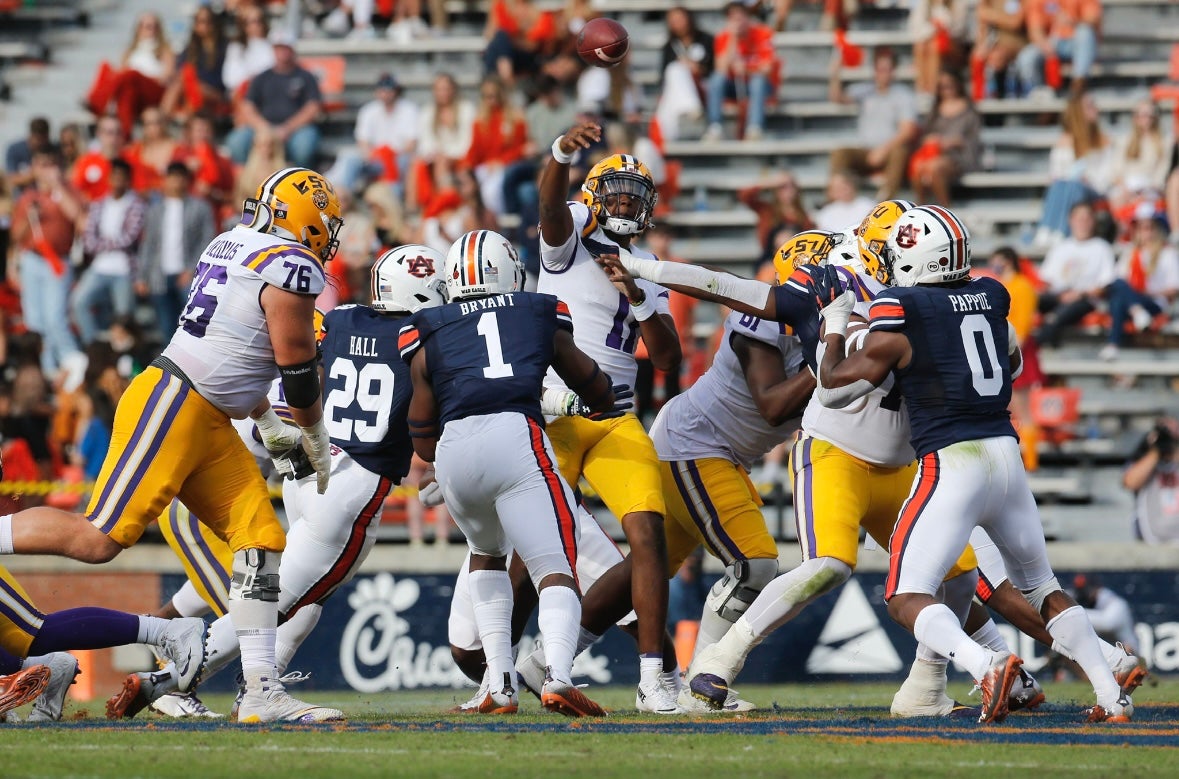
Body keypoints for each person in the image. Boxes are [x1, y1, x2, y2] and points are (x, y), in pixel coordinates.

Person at [0, 166, 344, 724]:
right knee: (99, 539)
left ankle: (261, 690)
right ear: (302, 217)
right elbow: (297, 368)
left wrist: (266, 418)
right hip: (176, 401)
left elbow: (235, 346)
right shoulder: (292, 265)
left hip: (204, 409)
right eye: (324, 220)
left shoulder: (232, 242)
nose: (328, 232)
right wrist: (311, 431)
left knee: (258, 536)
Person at [811, 204, 1133, 724]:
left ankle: (985, 665)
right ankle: (1111, 695)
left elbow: (830, 388)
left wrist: (832, 326)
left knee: (904, 595)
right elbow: (1013, 361)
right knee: (1044, 587)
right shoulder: (991, 296)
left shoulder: (900, 311)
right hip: (1007, 455)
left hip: (953, 463)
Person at [110, 245, 449, 719]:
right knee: (275, 602)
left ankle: (234, 683)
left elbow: (292, 370)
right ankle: (173, 682)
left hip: (308, 472)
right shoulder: (428, 337)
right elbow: (436, 412)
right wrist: (448, 467)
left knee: (291, 594)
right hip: (352, 486)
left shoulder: (344, 318)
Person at [400, 228, 610, 717]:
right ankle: (557, 674)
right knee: (553, 565)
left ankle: (500, 684)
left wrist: (442, 463)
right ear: (511, 273)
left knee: (485, 555)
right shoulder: (538, 310)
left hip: (453, 451)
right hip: (516, 436)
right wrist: (602, 400)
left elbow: (421, 434)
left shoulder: (428, 328)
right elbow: (586, 377)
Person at [539, 120, 683, 713]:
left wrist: (639, 292)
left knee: (649, 534)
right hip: (556, 413)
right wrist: (559, 154)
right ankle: (505, 669)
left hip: (617, 419)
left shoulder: (648, 261)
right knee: (537, 554)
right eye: (615, 193)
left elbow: (669, 356)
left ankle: (654, 678)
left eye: (634, 196)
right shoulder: (573, 228)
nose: (624, 204)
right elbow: (549, 203)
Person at [9, 147, 83, 376]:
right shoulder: (28, 197)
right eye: (42, 164)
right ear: (34, 168)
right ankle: (47, 370)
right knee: (34, 320)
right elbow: (17, 236)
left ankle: (73, 365)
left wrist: (58, 186)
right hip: (33, 260)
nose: (47, 169)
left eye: (51, 163)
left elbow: (78, 218)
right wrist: (31, 216)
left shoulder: (68, 191)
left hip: (57, 262)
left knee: (55, 318)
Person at [137, 162, 217, 342]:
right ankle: (167, 369)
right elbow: (148, 244)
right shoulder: (155, 210)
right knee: (166, 327)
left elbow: (207, 240)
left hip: (187, 276)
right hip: (159, 275)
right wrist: (142, 276)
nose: (176, 182)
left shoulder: (200, 207)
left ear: (187, 181)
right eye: (172, 177)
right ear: (165, 181)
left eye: (180, 177)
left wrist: (191, 269)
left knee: (193, 325)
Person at [72, 158, 147, 345]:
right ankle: (94, 346)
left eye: (122, 177)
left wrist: (102, 242)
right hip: (99, 267)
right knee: (78, 303)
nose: (118, 181)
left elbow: (129, 238)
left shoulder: (136, 204)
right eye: (115, 176)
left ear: (128, 180)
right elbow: (88, 239)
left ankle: (125, 354)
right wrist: (109, 242)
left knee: (124, 317)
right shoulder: (98, 205)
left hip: (124, 269)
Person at [829, 47, 918, 201]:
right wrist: (835, 74)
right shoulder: (865, 90)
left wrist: (883, 150)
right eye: (880, 69)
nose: (883, 73)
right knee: (841, 154)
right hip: (865, 151)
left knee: (899, 152)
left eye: (887, 69)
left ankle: (885, 201)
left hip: (888, 151)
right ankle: (834, 199)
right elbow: (838, 98)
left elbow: (908, 130)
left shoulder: (903, 95)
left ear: (893, 71)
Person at [225, 32, 321, 170]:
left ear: (292, 49)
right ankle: (246, 181)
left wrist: (288, 128)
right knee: (237, 141)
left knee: (304, 145)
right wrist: (263, 128)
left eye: (285, 47)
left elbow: (313, 107)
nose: (281, 52)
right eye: (278, 48)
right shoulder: (261, 77)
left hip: (295, 130)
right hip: (262, 128)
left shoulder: (306, 77)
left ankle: (301, 182)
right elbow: (248, 106)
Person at [1100, 203, 1179, 361]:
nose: (1147, 233)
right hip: (1133, 301)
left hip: (1155, 302)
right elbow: (1118, 281)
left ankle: (1113, 344)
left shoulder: (1168, 253)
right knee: (1118, 290)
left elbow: (1175, 288)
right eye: (1142, 228)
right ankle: (1137, 311)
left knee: (1119, 298)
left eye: (1150, 227)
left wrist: (1147, 293)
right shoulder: (1131, 253)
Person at [1034, 86, 1112, 247]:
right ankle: (1047, 230)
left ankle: (1062, 231)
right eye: (1090, 106)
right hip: (1069, 186)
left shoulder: (1103, 141)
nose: (1095, 110)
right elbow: (1056, 171)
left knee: (1075, 185)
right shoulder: (1065, 141)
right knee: (1061, 184)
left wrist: (1087, 179)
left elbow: (1107, 176)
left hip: (1095, 189)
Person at [1033, 201, 1115, 348]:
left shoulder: (1101, 247)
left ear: (1093, 221)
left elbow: (1105, 285)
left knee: (1055, 318)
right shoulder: (1060, 247)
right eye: (1079, 218)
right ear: (1070, 220)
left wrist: (1079, 294)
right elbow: (1046, 280)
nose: (1082, 223)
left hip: (1085, 299)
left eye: (1086, 218)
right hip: (1058, 296)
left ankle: (1040, 351)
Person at [84, 12, 176, 137]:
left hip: (153, 89)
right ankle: (126, 134)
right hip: (134, 90)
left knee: (131, 74)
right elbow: (122, 75)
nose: (150, 30)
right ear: (138, 29)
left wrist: (141, 77)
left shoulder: (165, 50)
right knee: (126, 90)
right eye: (146, 26)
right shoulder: (129, 52)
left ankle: (98, 102)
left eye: (153, 26)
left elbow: (166, 77)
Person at [333, 73, 420, 196]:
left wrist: (388, 156)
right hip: (375, 158)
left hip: (398, 157)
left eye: (389, 90)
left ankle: (394, 198)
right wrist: (375, 155)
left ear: (396, 91)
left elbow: (411, 144)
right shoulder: (368, 110)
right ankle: (344, 198)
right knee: (351, 159)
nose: (386, 93)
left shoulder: (409, 109)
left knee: (403, 162)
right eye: (382, 89)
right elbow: (363, 142)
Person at [703, 2, 778, 142]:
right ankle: (715, 127)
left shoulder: (763, 33)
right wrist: (733, 40)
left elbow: (767, 68)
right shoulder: (723, 37)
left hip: (760, 86)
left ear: (748, 17)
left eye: (740, 16)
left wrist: (747, 69)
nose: (738, 21)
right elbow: (721, 69)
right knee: (715, 80)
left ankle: (755, 128)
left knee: (758, 81)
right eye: (733, 17)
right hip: (733, 86)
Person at [909, 69, 981, 206]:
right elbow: (924, 135)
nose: (946, 90)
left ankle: (945, 209)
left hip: (959, 157)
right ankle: (921, 207)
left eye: (949, 86)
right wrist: (931, 140)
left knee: (934, 167)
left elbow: (973, 140)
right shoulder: (936, 110)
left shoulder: (969, 111)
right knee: (918, 167)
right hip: (933, 154)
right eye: (942, 87)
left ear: (958, 85)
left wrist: (952, 142)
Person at [655, 6, 714, 143]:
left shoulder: (706, 40)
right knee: (675, 70)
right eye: (673, 20)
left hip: (703, 86)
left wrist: (697, 68)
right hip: (677, 93)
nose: (678, 23)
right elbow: (663, 76)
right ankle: (690, 109)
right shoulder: (669, 46)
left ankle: (690, 109)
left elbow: (714, 68)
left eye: (680, 19)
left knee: (675, 70)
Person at [1017, 0, 1100, 96]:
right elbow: (1035, 29)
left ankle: (1078, 84)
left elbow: (1093, 18)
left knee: (1085, 32)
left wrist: (1072, 21)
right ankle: (1037, 95)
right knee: (1027, 56)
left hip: (1076, 42)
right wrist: (1045, 45)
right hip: (1051, 42)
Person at [160, 5, 229, 121]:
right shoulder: (191, 49)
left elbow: (224, 79)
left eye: (209, 21)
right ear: (195, 25)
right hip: (193, 91)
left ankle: (168, 120)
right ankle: (164, 119)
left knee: (190, 84)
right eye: (201, 22)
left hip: (216, 92)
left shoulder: (224, 48)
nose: (205, 25)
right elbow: (180, 74)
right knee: (183, 82)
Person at [1123, 415, 1179, 544]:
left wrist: (1174, 451)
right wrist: (1157, 451)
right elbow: (1130, 482)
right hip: (1152, 540)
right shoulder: (1145, 455)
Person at [972, 0, 1028, 100]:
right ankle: (980, 97)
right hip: (995, 44)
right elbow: (981, 20)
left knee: (997, 57)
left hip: (1019, 43)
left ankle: (1005, 94)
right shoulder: (988, 3)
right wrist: (981, 45)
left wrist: (989, 14)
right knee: (977, 56)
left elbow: (1015, 22)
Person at [4, 117, 52, 194]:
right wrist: (35, 174)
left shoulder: (52, 148)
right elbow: (11, 179)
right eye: (39, 139)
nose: (41, 144)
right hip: (24, 198)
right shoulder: (15, 150)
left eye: (44, 140)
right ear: (31, 135)